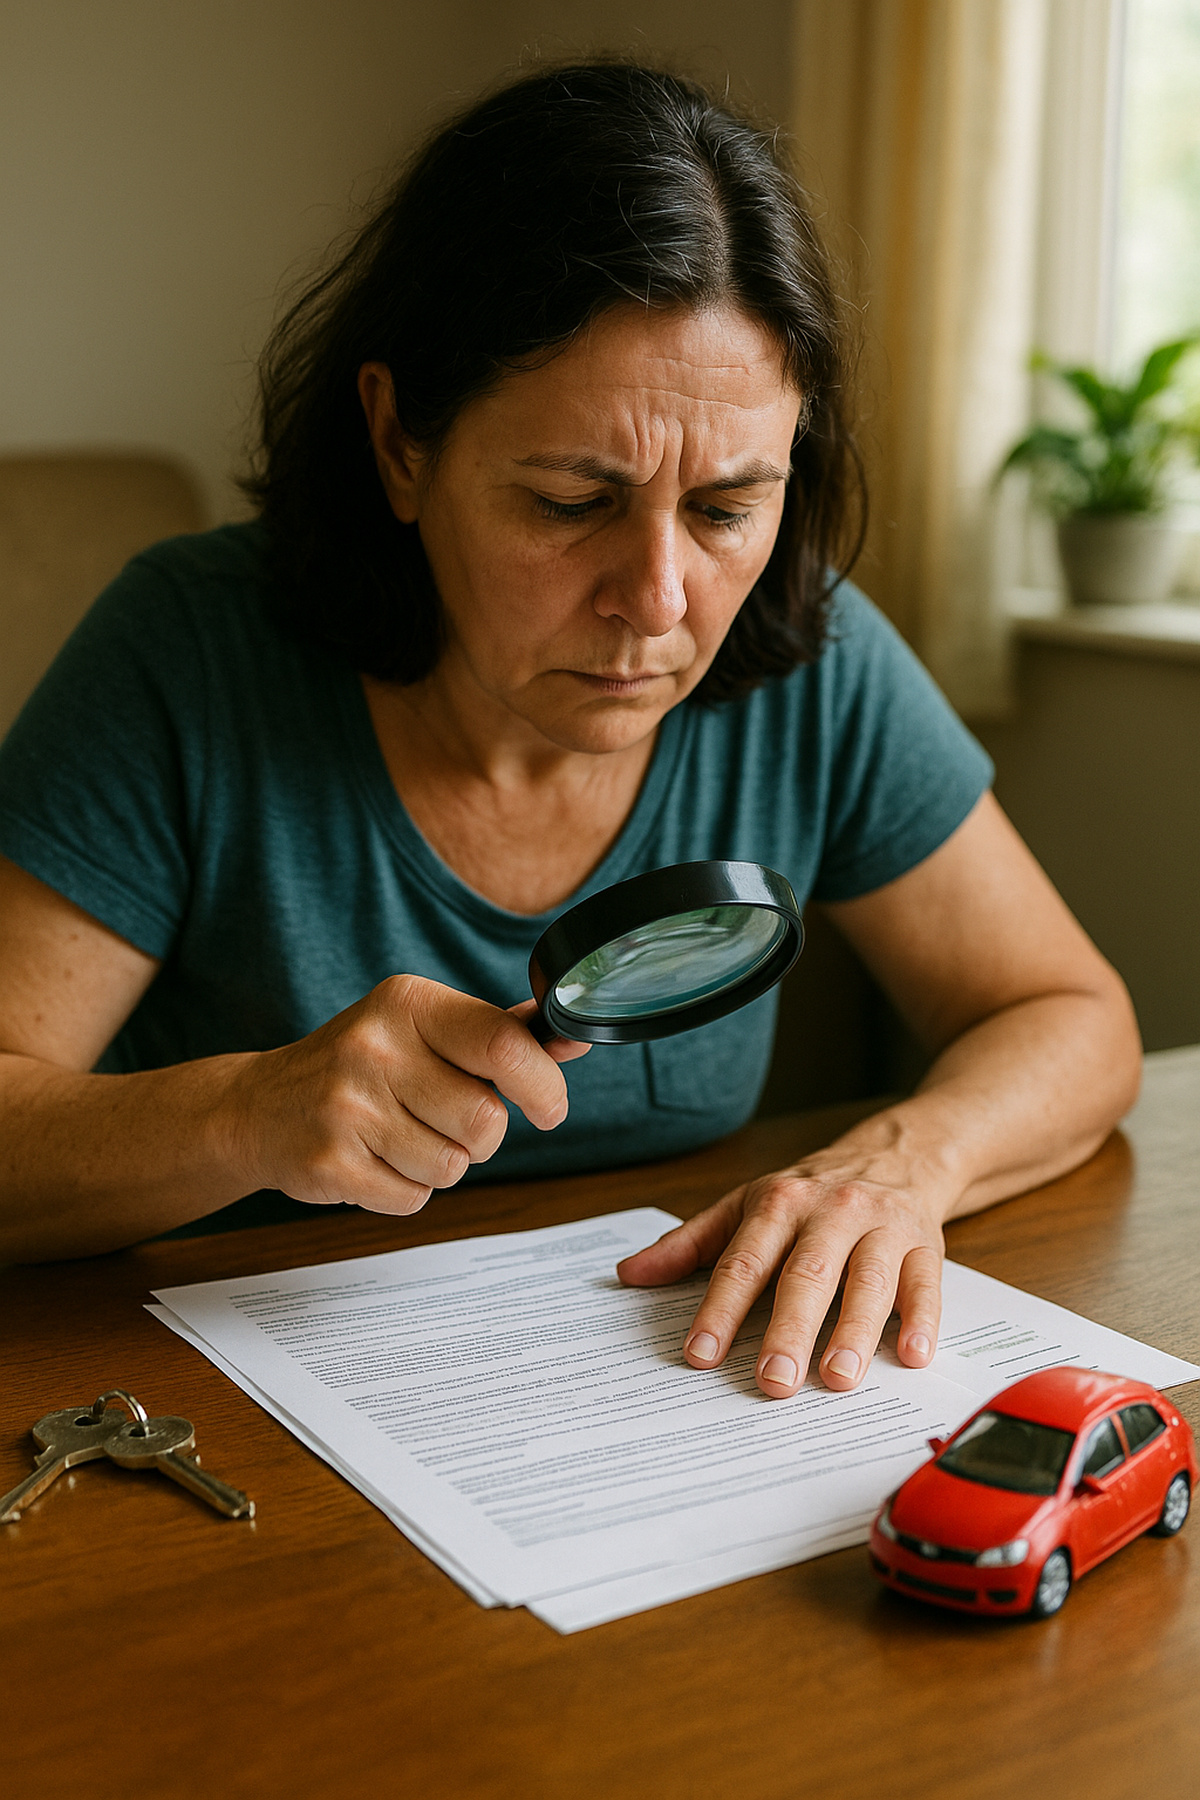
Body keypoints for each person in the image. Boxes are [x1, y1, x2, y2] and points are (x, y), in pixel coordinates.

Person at [0, 63, 1139, 1401]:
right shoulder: (188, 649)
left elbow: (1069, 1013)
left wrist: (902, 1165)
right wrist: (245, 1111)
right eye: (567, 501)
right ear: (399, 444)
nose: (660, 602)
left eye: (726, 510)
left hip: (665, 1404)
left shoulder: (810, 655)